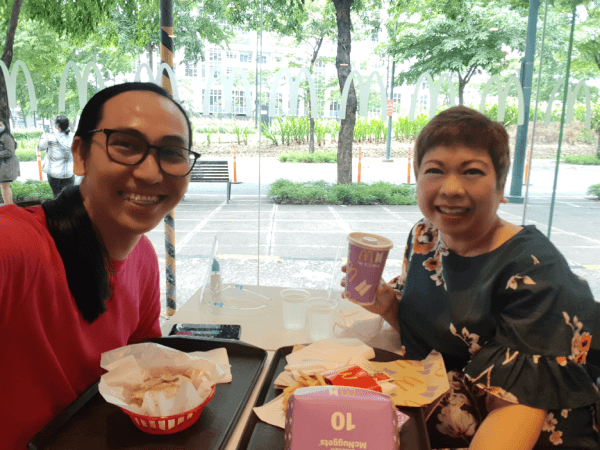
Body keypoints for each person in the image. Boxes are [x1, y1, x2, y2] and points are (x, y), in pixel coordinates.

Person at [343, 106, 600, 449]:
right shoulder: (425, 236)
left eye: (472, 172)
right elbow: (430, 336)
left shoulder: (533, 269)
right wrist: (389, 307)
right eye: (434, 170)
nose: (450, 188)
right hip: (435, 414)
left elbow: (517, 407)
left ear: (501, 186)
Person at [0, 82, 200, 449]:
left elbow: (141, 372)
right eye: (126, 145)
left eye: (172, 153)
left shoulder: (142, 259)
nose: (151, 174)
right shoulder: (17, 246)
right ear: (80, 154)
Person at [38, 115, 76, 197]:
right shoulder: (73, 137)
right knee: (69, 197)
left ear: (57, 126)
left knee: (57, 196)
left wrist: (42, 137)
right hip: (69, 173)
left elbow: (40, 147)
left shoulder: (49, 137)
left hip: (54, 173)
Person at [0, 118, 19, 205]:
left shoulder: (6, 137)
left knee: (5, 186)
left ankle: (8, 206)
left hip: (7, 166)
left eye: (0, 125)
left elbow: (10, 151)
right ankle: (9, 205)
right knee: (4, 186)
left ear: (5, 126)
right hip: (4, 166)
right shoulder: (2, 136)